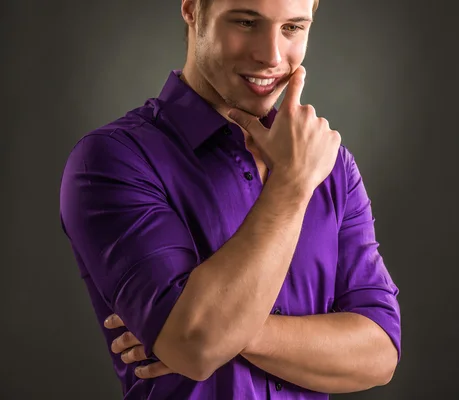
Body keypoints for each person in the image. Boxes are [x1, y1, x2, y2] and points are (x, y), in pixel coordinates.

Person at [59, 0, 401, 398]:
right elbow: (197, 347)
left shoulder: (330, 162)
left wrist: (221, 333)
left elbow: (379, 353)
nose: (271, 56)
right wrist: (290, 186)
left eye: (292, 28)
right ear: (191, 10)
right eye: (245, 22)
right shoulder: (111, 159)